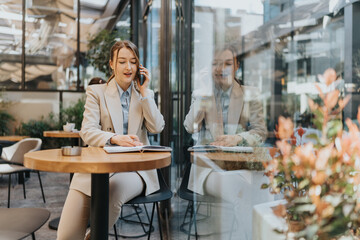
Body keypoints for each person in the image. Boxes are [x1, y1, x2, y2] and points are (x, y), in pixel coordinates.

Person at [57, 40, 165, 240]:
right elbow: (87, 131)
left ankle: (93, 237)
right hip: (97, 168)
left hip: (134, 170)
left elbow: (157, 127)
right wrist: (115, 138)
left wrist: (144, 94)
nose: (128, 67)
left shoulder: (144, 94)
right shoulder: (97, 92)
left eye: (133, 62)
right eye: (122, 61)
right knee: (66, 236)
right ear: (111, 64)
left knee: (114, 191)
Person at [184, 45, 272, 240]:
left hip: (241, 164)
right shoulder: (202, 93)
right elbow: (190, 126)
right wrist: (203, 91)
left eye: (227, 63)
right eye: (216, 63)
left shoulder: (250, 93)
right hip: (210, 168)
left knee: (265, 186)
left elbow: (260, 132)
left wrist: (238, 138)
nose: (221, 68)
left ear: (236, 66)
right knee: (243, 191)